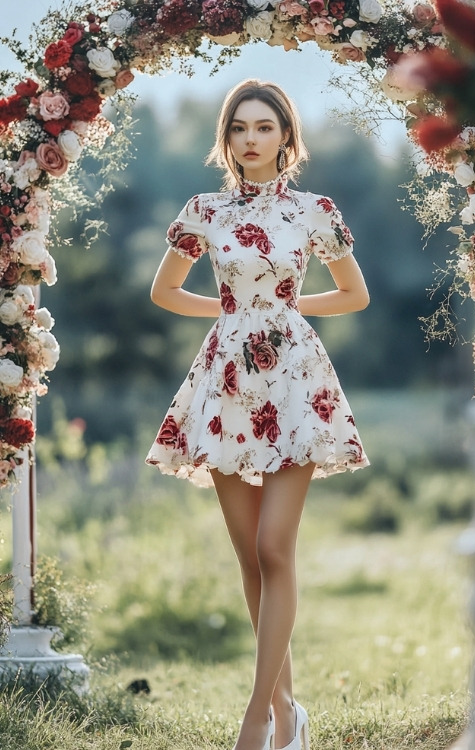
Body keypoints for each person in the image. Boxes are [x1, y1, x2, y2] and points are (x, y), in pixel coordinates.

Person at [146, 78, 370, 750]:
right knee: (249, 556)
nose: (251, 138)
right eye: (240, 127)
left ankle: (259, 718)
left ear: (286, 138)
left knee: (276, 547)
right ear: (228, 138)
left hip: (296, 379)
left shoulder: (314, 209)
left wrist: (285, 312)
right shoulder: (204, 210)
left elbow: (353, 294)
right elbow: (166, 291)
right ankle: (290, 710)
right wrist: (235, 317)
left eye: (264, 127)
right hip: (226, 379)